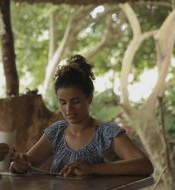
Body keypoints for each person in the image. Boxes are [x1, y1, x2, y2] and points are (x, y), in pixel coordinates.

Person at [10, 55, 154, 177]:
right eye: (63, 102)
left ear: (89, 98)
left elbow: (145, 165)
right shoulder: (57, 132)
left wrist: (93, 169)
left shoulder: (106, 133)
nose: (68, 109)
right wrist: (17, 165)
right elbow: (26, 164)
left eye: (75, 101)